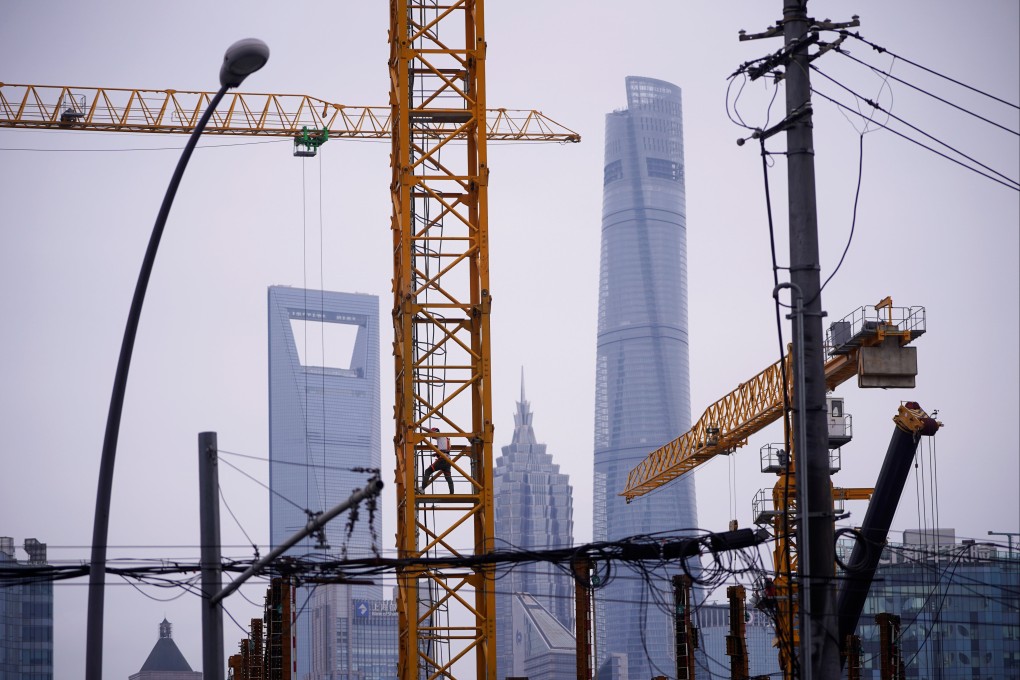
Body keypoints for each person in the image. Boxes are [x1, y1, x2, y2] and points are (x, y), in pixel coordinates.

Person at [419, 427, 453, 494]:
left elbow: (429, 430)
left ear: (435, 432)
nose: (431, 436)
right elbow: (446, 450)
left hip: (442, 459)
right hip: (448, 460)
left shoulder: (439, 435)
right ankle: (452, 493)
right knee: (448, 477)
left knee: (428, 471)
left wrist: (420, 427)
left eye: (432, 433)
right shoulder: (446, 438)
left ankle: (422, 488)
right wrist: (437, 453)